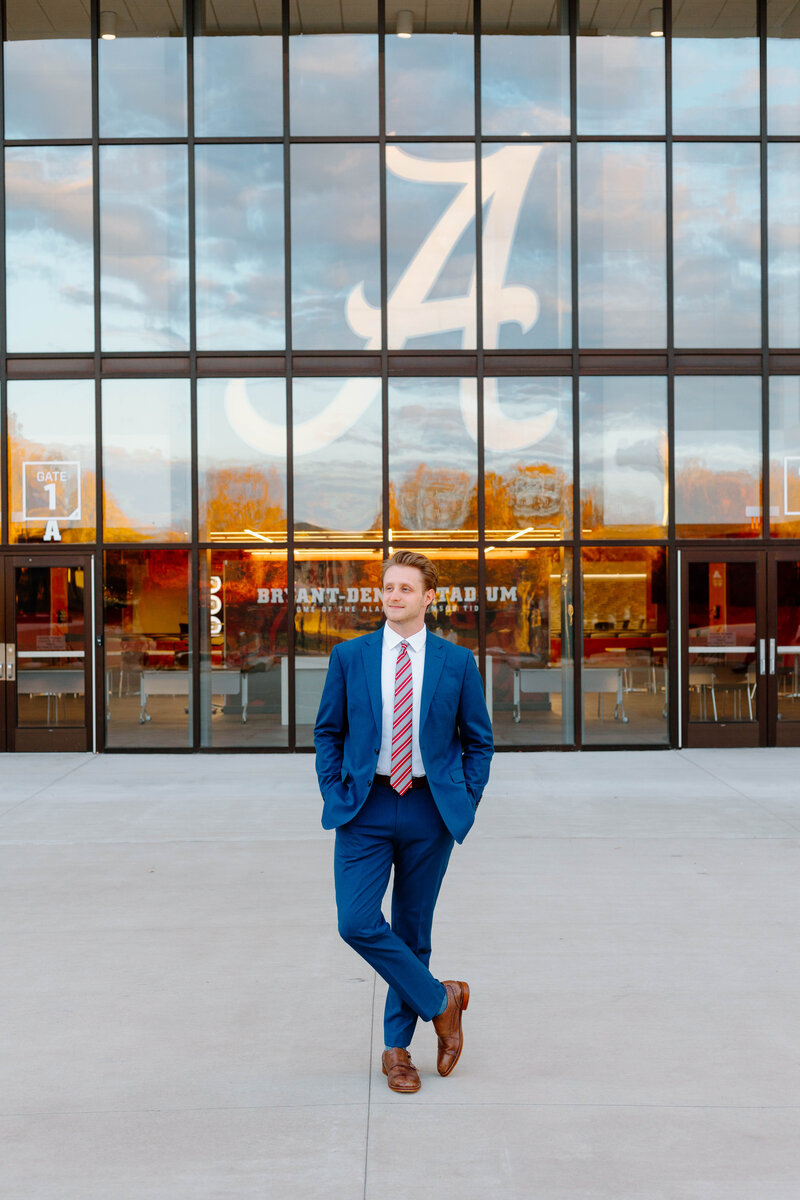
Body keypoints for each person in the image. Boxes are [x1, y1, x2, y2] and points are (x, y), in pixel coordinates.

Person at [314, 550, 494, 1094]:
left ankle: (397, 1052)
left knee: (413, 930)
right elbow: (328, 731)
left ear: (428, 598)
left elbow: (478, 741)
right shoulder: (350, 656)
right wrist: (335, 788)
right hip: (364, 806)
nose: (394, 596)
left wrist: (464, 799)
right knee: (356, 922)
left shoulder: (455, 662)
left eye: (406, 588)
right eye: (388, 587)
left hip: (428, 808)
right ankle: (442, 1001)